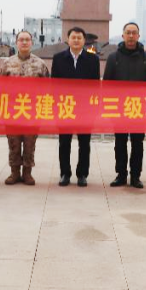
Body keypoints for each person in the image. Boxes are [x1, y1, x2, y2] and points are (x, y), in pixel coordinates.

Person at [104, 22, 146, 189]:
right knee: (119, 143)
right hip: (119, 109)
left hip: (139, 109)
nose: (131, 36)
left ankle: (135, 176)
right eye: (128, 33)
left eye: (134, 33)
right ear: (123, 36)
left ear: (139, 36)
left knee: (137, 143)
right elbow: (107, 84)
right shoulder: (114, 58)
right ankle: (121, 174)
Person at [0, 30, 50, 185]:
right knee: (13, 144)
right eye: (21, 40)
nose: (24, 42)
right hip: (12, 111)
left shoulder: (40, 64)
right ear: (16, 42)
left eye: (27, 40)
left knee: (29, 144)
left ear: (32, 42)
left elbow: (48, 89)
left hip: (32, 112)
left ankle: (27, 173)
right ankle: (14, 172)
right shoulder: (7, 63)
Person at [52, 26, 100, 187]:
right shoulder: (58, 58)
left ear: (84, 40)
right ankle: (65, 173)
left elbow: (95, 86)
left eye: (80, 38)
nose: (76, 40)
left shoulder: (93, 59)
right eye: (74, 37)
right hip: (65, 107)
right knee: (64, 142)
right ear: (68, 39)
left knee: (84, 143)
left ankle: (82, 174)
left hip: (85, 108)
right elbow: (54, 85)